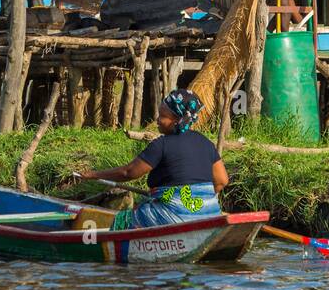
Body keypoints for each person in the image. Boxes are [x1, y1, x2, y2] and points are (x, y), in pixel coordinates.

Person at [80, 89, 228, 229]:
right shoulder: (206, 143)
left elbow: (128, 172)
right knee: (141, 206)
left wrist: (94, 174)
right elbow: (222, 181)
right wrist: (200, 199)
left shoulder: (161, 144)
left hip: (174, 216)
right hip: (210, 215)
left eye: (162, 116)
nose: (157, 119)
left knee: (120, 222)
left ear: (177, 119)